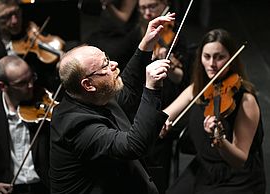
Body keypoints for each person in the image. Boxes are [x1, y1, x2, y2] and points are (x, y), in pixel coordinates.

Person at [49, 13, 175, 194]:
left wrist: (146, 45)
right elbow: (134, 146)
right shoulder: (74, 126)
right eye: (105, 65)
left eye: (107, 58)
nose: (114, 64)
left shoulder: (95, 95)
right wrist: (152, 88)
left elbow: (128, 89)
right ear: (88, 84)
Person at [161, 29, 266, 194]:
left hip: (237, 178)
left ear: (231, 59)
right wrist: (161, 123)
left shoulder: (245, 100)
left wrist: (219, 140)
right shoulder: (197, 89)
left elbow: (239, 160)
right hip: (205, 168)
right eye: (207, 56)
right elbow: (165, 115)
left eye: (219, 57)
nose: (212, 64)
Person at [137, 0, 193, 192]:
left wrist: (166, 62)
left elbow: (180, 78)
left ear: (164, 4)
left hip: (170, 100)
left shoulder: (177, 35)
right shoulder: (140, 29)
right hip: (144, 95)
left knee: (157, 135)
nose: (147, 13)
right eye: (142, 8)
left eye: (152, 6)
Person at [0, 55, 50, 194]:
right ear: (2, 86)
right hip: (6, 189)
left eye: (31, 78)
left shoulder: (44, 106)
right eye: (22, 83)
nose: (31, 86)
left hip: (44, 187)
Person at [0, 0, 64, 101]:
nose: (14, 20)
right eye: (5, 17)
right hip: (0, 101)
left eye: (17, 12)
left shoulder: (31, 29)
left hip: (38, 97)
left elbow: (47, 73)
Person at [83, 0, 140, 71]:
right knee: (85, 52)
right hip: (104, 31)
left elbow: (123, 19)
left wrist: (108, 4)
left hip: (122, 34)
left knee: (107, 57)